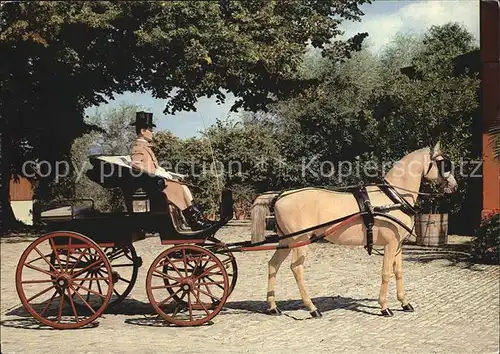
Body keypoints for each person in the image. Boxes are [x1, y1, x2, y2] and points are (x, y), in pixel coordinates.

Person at [129, 111, 215, 231]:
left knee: (183, 187)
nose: (153, 132)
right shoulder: (138, 147)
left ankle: (196, 218)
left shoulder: (145, 147)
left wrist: (168, 173)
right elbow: (136, 165)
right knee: (179, 188)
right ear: (143, 131)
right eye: (150, 129)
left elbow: (154, 166)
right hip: (152, 186)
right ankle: (194, 221)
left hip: (157, 182)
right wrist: (156, 173)